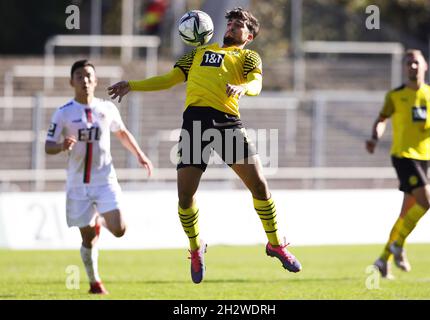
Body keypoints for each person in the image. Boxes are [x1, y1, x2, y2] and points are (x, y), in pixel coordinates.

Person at [108, 7, 301, 284]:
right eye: (231, 22)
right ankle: (196, 248)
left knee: (259, 185)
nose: (233, 26)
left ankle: (275, 244)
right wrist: (133, 85)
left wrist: (242, 88)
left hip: (227, 123)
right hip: (195, 125)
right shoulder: (197, 53)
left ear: (249, 36)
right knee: (185, 198)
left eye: (239, 25)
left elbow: (256, 83)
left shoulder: (247, 56)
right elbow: (168, 80)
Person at [45, 60, 153, 294]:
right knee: (88, 239)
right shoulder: (63, 113)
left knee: (120, 229)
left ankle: (100, 221)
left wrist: (140, 155)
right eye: (79, 76)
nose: (84, 80)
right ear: (71, 81)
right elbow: (48, 146)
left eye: (88, 76)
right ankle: (94, 282)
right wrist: (62, 145)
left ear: (95, 81)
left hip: (105, 180)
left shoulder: (107, 108)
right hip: (77, 184)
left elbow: (122, 133)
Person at [366, 49, 430, 279]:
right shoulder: (395, 96)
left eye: (416, 63)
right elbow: (381, 119)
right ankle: (398, 245)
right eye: (408, 63)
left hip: (423, 158)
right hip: (403, 156)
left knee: (406, 213)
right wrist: (375, 137)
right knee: (427, 200)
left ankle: (382, 260)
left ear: (425, 66)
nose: (412, 66)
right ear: (404, 67)